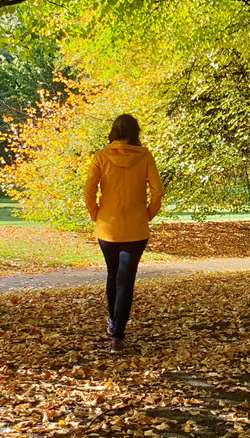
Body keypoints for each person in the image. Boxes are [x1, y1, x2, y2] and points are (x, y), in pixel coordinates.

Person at [84, 114, 164, 354]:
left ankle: (112, 321)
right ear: (135, 133)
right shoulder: (145, 157)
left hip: (107, 226)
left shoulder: (100, 157)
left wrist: (96, 214)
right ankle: (118, 335)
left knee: (112, 275)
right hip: (136, 227)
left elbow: (89, 191)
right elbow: (157, 191)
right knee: (125, 280)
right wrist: (147, 214)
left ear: (113, 132)